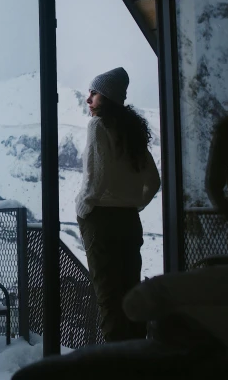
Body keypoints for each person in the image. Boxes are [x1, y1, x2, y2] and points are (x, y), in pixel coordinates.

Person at [75, 67, 161, 341]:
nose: (88, 99)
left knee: (108, 299)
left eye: (94, 93)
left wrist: (83, 209)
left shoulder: (98, 125)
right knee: (130, 296)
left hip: (101, 220)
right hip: (128, 222)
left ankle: (114, 364)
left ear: (107, 97)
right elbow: (154, 180)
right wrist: (136, 205)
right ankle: (138, 358)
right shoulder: (130, 130)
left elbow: (96, 178)